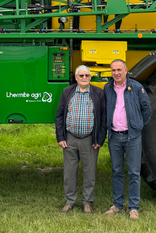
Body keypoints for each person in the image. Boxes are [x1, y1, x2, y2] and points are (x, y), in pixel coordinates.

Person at [103, 59, 151, 221]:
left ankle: (133, 208)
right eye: (113, 70)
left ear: (126, 70)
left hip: (132, 136)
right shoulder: (107, 88)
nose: (116, 73)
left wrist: (138, 125)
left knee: (134, 172)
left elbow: (147, 108)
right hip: (115, 136)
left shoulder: (136, 88)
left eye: (119, 70)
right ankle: (117, 204)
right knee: (116, 171)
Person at [55, 65, 106, 214]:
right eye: (81, 75)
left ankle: (87, 202)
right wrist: (60, 137)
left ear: (90, 77)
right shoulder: (67, 92)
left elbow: (103, 119)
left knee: (89, 173)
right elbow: (59, 116)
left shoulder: (99, 93)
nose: (84, 78)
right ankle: (69, 202)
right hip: (70, 139)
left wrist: (100, 139)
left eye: (87, 75)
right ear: (76, 78)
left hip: (90, 140)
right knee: (69, 173)